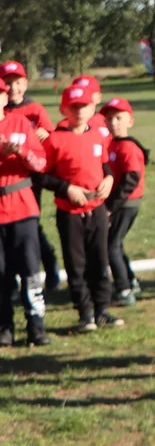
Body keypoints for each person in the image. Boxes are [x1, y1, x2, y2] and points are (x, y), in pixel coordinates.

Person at [39, 85, 124, 332]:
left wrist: (108, 179)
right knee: (76, 264)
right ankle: (84, 314)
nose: (79, 111)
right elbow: (42, 176)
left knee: (100, 259)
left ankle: (102, 309)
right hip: (70, 211)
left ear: (92, 108)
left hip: (97, 208)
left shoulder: (98, 135)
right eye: (73, 107)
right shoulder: (55, 139)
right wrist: (67, 189)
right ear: (63, 109)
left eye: (83, 106)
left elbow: (105, 164)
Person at [2, 60, 61, 291]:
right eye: (8, 83)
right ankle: (13, 279)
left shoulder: (34, 109)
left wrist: (41, 134)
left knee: (29, 227)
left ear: (25, 83)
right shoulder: (3, 110)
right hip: (9, 177)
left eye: (17, 82)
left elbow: (50, 134)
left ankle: (49, 267)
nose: (13, 88)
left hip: (32, 175)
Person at [0, 77, 50, 347]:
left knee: (30, 270)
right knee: (1, 273)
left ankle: (37, 327)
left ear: (5, 98)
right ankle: (4, 328)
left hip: (22, 208)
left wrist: (19, 150)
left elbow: (41, 163)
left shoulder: (20, 124)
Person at [100, 97, 149, 307]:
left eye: (119, 118)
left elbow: (131, 178)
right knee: (115, 243)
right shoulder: (112, 144)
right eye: (109, 118)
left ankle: (124, 289)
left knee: (111, 246)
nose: (113, 122)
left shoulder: (128, 147)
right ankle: (130, 281)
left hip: (127, 203)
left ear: (130, 121)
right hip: (120, 202)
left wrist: (111, 207)